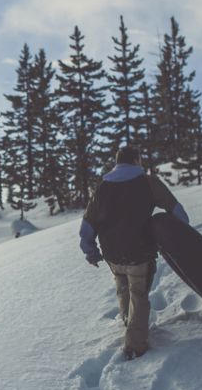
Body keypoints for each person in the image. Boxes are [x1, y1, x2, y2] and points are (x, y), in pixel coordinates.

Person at [79, 146, 189, 359]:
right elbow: (177, 212)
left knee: (123, 288)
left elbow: (87, 224)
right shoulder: (148, 182)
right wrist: (179, 234)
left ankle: (128, 323)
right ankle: (135, 346)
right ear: (137, 160)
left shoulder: (102, 188)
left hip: (112, 254)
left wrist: (90, 250)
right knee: (138, 295)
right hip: (139, 252)